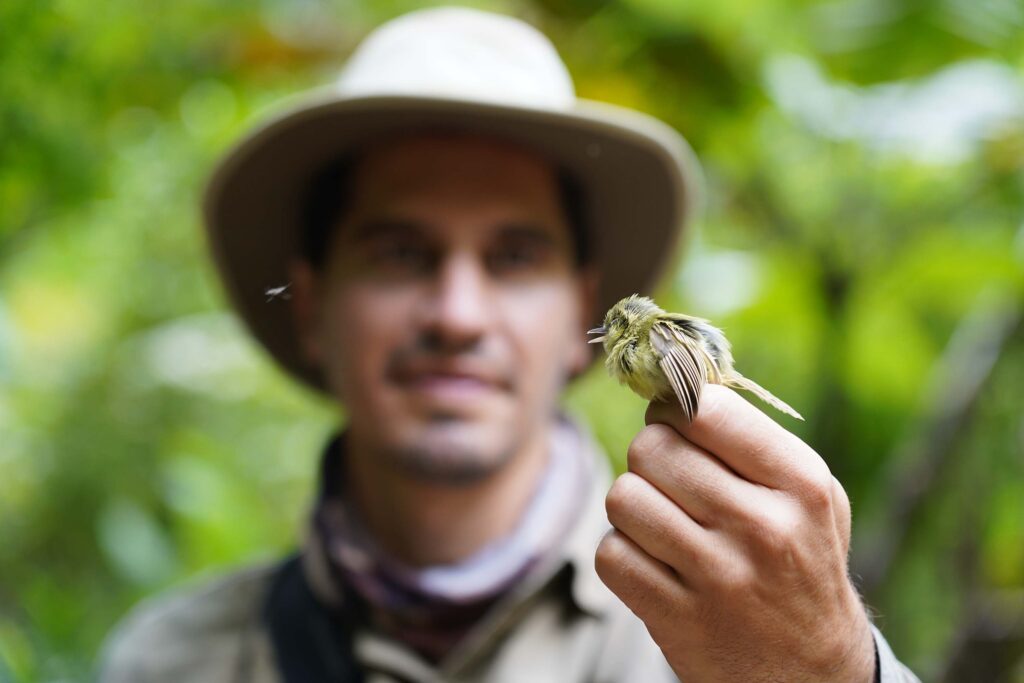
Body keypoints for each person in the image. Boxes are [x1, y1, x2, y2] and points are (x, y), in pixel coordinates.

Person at [100, 7, 920, 682]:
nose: (457, 313)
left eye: (515, 258)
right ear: (312, 306)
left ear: (581, 318)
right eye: (400, 254)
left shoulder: (727, 636)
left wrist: (834, 666)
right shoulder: (172, 660)